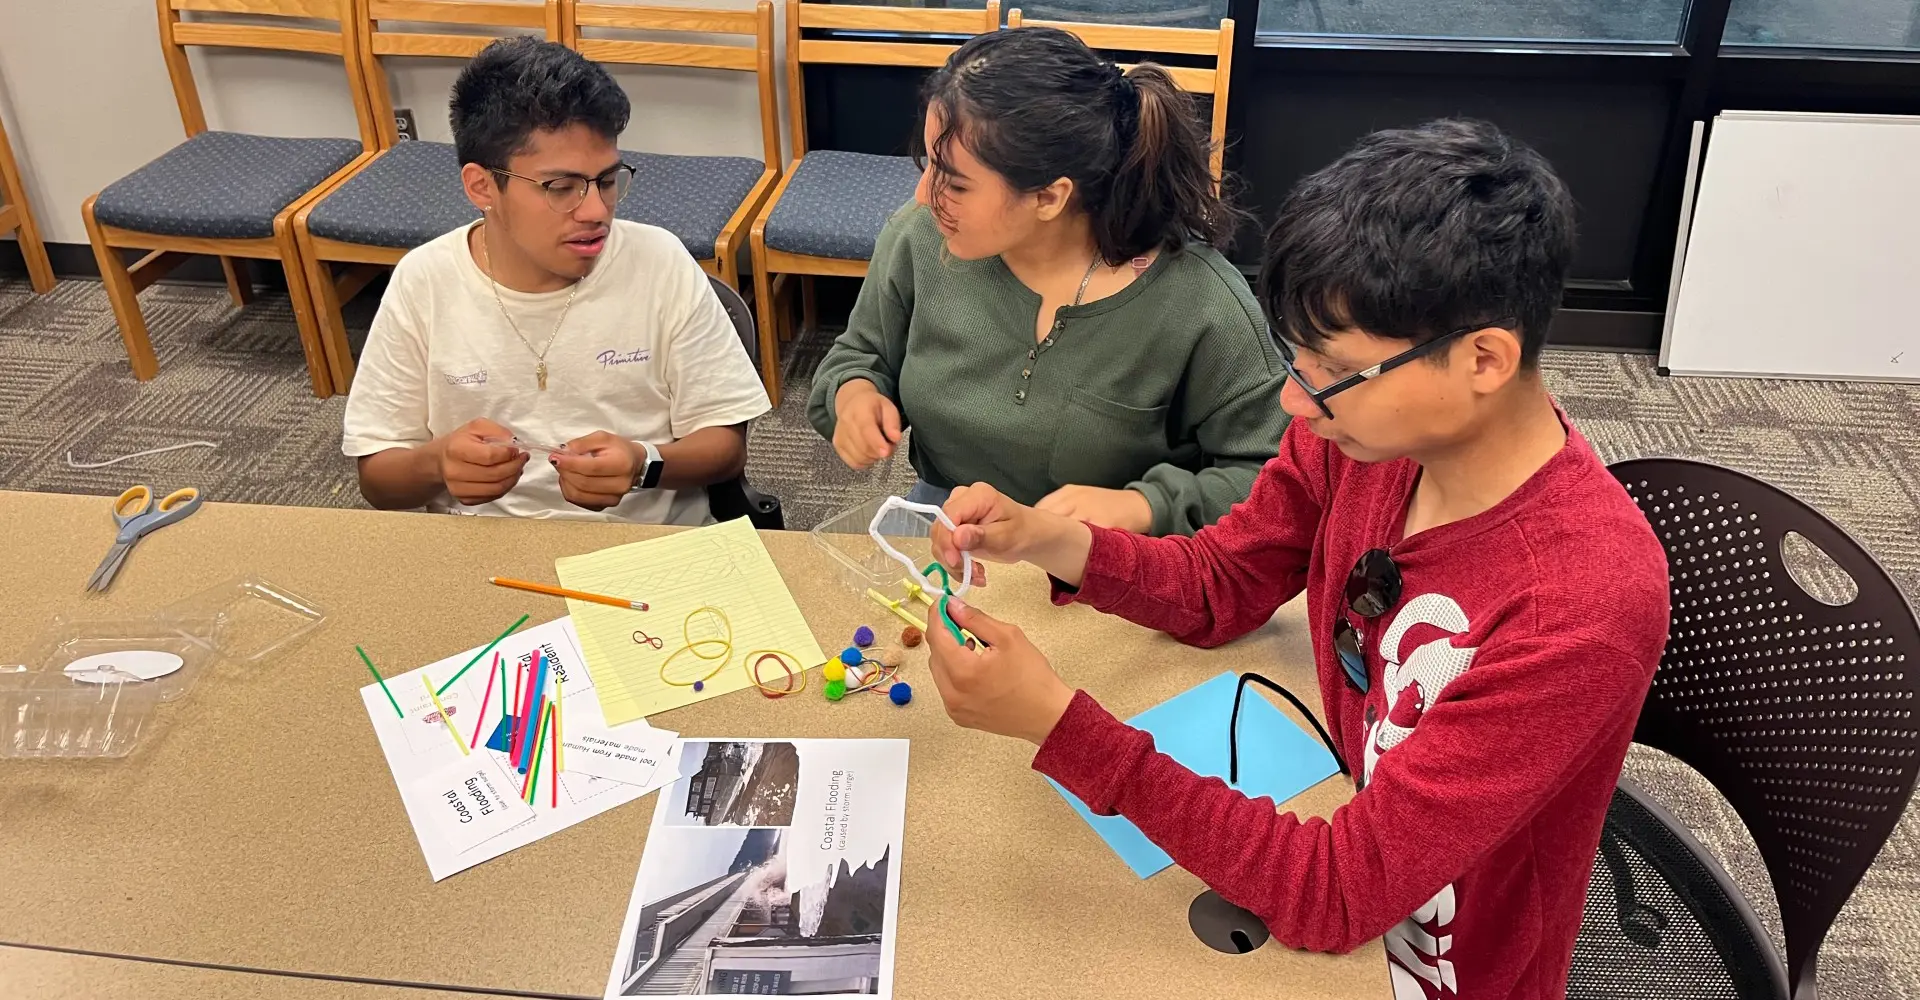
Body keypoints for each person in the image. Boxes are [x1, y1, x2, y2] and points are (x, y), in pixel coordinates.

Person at [920, 119, 1671, 999]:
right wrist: (1057, 542)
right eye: (1296, 354)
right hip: (1351, 851)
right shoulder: (1359, 440)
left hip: (1438, 968)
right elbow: (1227, 583)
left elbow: (1335, 892)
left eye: (1332, 366)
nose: (1292, 395)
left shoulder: (1579, 603)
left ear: (1483, 359)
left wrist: (1061, 726)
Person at [806, 27, 1288, 537]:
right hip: (950, 521)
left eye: (955, 181)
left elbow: (1273, 480)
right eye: (929, 164)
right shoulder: (920, 238)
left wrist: (1144, 507)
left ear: (1049, 198)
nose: (925, 195)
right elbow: (859, 354)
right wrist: (853, 392)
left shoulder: (1201, 304)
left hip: (1112, 550)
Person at [343, 37, 769, 523]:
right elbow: (378, 480)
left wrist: (644, 464)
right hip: (484, 549)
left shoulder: (659, 262)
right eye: (561, 188)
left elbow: (725, 449)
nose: (596, 212)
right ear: (482, 186)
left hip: (647, 546)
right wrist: (436, 463)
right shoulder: (426, 281)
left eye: (608, 181)